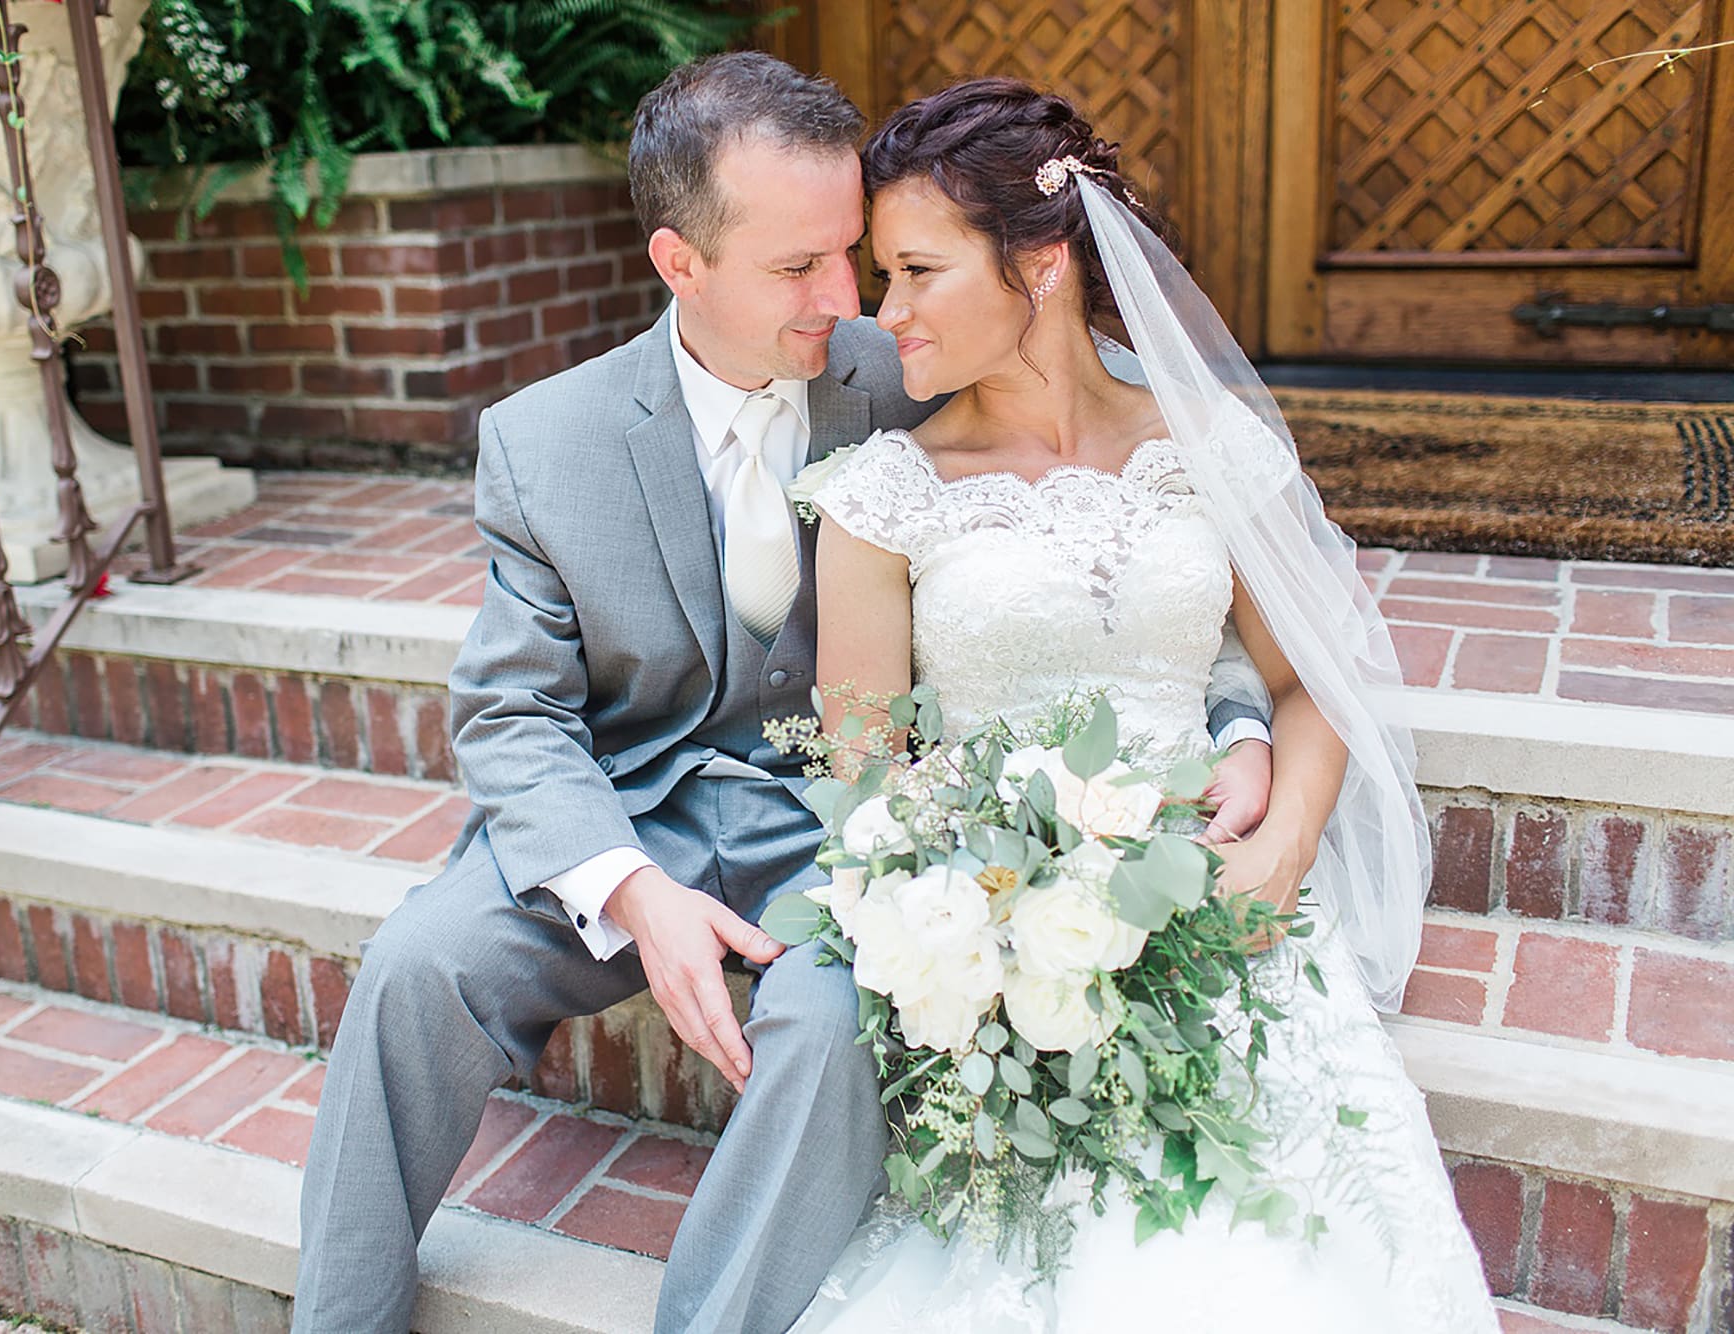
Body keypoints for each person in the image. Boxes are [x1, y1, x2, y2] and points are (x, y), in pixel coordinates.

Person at [292, 54, 1274, 1334]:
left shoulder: (916, 358)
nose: (847, 295)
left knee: (832, 1023)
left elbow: (1141, 567)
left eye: (851, 253)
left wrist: (1234, 715)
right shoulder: (543, 441)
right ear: (677, 262)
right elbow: (511, 713)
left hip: (854, 814)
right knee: (416, 962)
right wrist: (636, 895)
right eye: (797, 268)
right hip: (631, 808)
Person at [790, 78, 1499, 1332]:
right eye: (878, 274)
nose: (879, 313)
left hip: (1231, 906)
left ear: (1043, 261)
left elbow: (1306, 682)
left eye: (914, 272)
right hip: (1018, 946)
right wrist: (992, 916)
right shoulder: (879, 496)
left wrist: (1280, 853)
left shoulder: (1208, 444)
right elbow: (863, 774)